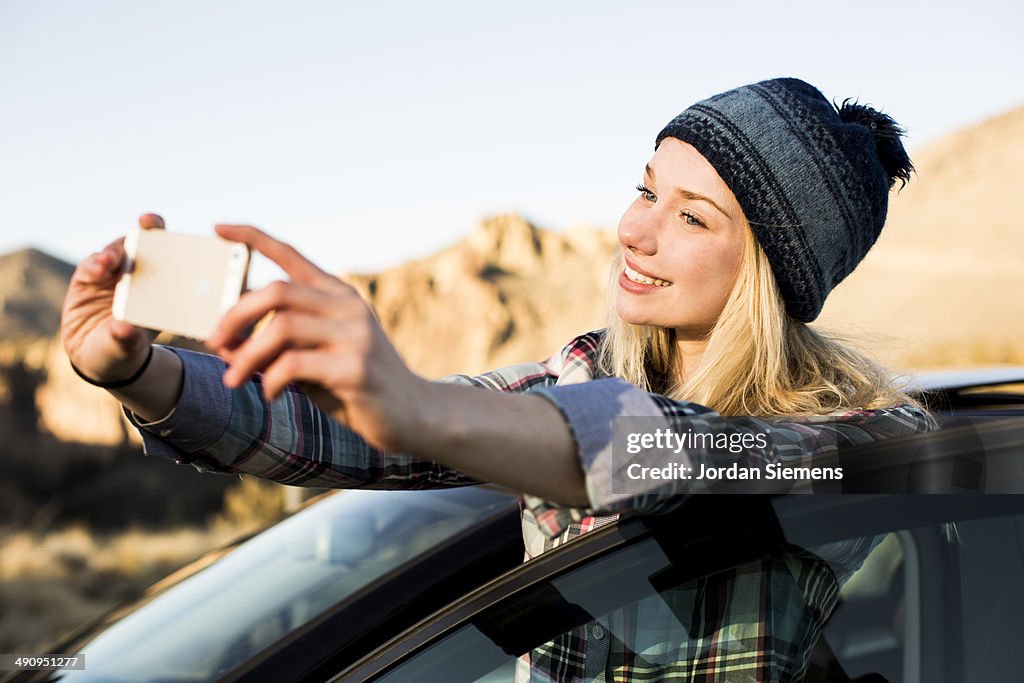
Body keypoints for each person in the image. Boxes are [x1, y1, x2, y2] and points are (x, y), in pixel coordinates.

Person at [62, 77, 933, 681]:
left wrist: (417, 407)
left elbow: (682, 454)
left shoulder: (864, 441)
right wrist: (141, 370)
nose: (635, 229)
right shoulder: (581, 371)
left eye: (691, 216)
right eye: (645, 188)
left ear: (769, 271)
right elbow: (357, 433)